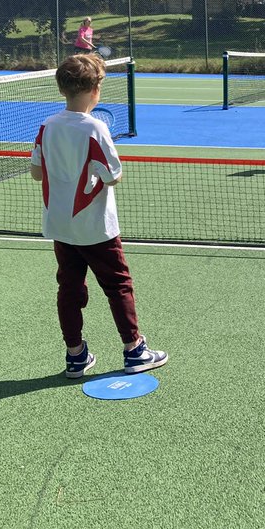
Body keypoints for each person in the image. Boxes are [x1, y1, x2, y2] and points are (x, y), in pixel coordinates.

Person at [30, 54, 167, 379]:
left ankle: (75, 356)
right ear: (96, 90)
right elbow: (114, 175)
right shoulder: (96, 128)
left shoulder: (47, 126)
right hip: (96, 228)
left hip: (61, 226)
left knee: (69, 288)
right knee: (119, 285)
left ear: (62, 88)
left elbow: (36, 173)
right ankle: (135, 351)